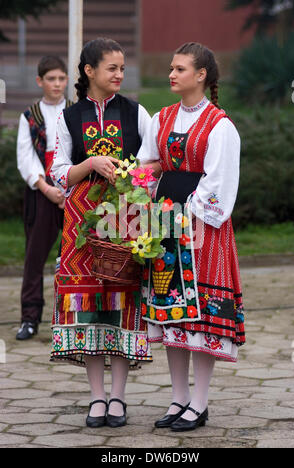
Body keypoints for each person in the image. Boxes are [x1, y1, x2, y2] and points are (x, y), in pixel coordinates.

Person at [138, 42, 246, 432]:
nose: (171, 74)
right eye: (171, 67)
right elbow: (147, 165)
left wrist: (182, 205)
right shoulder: (161, 119)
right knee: (173, 316)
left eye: (180, 68)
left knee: (201, 317)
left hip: (203, 231)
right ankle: (177, 399)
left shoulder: (221, 125)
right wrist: (143, 183)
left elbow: (220, 185)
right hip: (165, 230)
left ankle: (199, 404)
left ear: (201, 75)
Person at [50, 37, 152, 428]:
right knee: (87, 303)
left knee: (123, 301)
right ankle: (96, 397)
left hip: (126, 216)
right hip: (80, 221)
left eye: (123, 68)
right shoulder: (69, 117)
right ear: (90, 71)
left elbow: (151, 162)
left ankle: (119, 399)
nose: (120, 75)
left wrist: (130, 176)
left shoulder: (136, 112)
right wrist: (90, 161)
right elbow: (59, 172)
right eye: (112, 68)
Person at [16, 56, 72, 340]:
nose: (57, 84)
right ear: (40, 81)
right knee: (35, 256)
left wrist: (68, 189)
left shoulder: (75, 112)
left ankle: (71, 316)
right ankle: (29, 317)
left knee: (75, 254)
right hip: (42, 189)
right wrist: (48, 188)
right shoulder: (30, 116)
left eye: (61, 78)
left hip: (73, 188)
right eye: (51, 79)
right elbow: (25, 159)